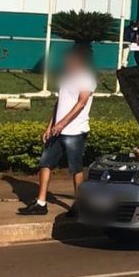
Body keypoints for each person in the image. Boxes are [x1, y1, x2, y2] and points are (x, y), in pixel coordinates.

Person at [18, 47, 97, 216]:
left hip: (75, 131)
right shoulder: (66, 78)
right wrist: (50, 126)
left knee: (75, 168)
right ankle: (41, 202)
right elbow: (58, 103)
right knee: (45, 163)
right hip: (57, 130)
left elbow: (81, 103)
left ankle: (79, 204)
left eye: (71, 60)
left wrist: (62, 124)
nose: (67, 62)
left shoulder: (87, 79)